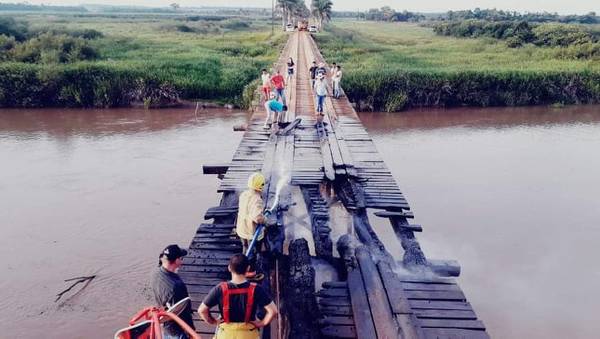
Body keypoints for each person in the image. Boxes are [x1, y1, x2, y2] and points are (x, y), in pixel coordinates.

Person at [198, 254, 278, 339]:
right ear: (248, 268)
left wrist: (213, 321)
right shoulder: (256, 289)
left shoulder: (220, 288)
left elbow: (202, 310)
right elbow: (273, 311)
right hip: (248, 334)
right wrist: (261, 323)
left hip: (226, 334)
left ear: (229, 268)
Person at [151, 244, 196, 339]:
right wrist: (191, 331)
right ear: (176, 261)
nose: (182, 260)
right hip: (177, 330)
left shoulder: (155, 274)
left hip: (166, 326)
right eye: (181, 258)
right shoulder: (176, 287)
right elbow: (183, 313)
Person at [236, 172, 267, 279]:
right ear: (260, 186)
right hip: (251, 232)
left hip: (241, 229)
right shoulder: (257, 199)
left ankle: (244, 257)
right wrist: (265, 220)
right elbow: (258, 218)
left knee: (245, 247)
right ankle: (250, 272)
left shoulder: (244, 194)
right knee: (252, 252)